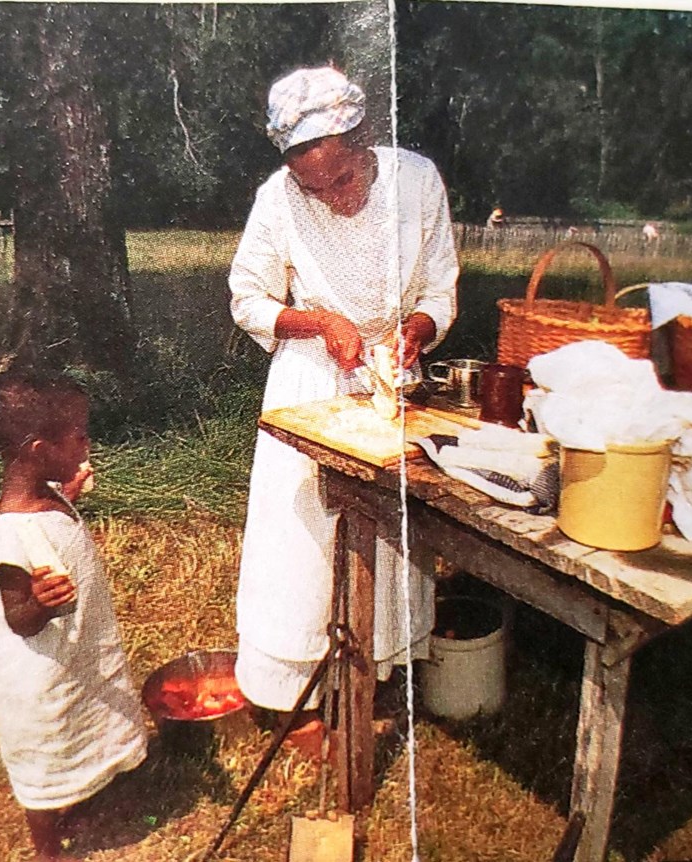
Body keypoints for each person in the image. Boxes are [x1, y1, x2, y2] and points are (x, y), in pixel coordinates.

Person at [229, 67, 459, 739]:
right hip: (310, 379)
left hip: (389, 377)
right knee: (303, 535)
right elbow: (248, 297)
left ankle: (376, 676)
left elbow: (440, 288)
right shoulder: (278, 199)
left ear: (362, 140)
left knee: (388, 531)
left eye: (344, 178)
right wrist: (320, 322)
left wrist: (417, 329)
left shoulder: (418, 181)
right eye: (315, 186)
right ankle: (293, 688)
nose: (333, 196)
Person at [0, 371, 146, 861]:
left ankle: (82, 792)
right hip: (38, 674)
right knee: (45, 755)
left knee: (81, 722)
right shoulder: (8, 535)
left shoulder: (45, 495)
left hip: (71, 658)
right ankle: (48, 847)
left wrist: (69, 486)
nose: (87, 442)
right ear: (37, 448)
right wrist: (40, 603)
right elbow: (18, 620)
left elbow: (55, 512)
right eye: (78, 436)